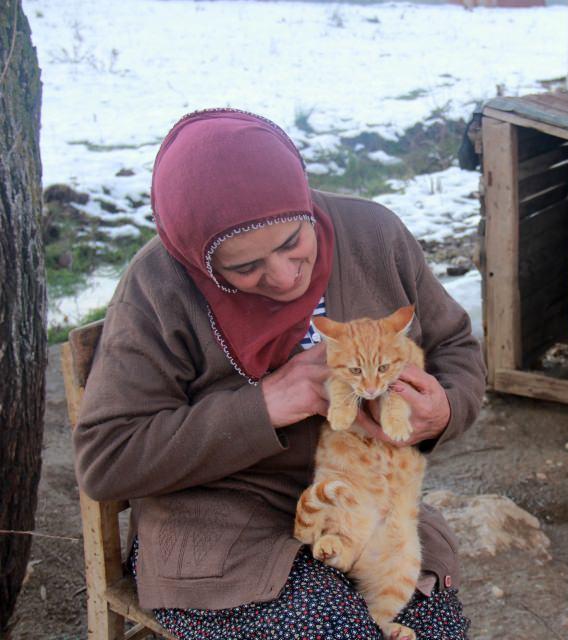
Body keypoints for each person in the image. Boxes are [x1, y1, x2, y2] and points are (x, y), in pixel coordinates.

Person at [73, 109, 486, 639]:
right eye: (244, 269)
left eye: (293, 242)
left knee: (431, 629)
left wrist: (445, 408)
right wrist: (263, 406)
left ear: (304, 201)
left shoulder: (373, 237)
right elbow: (107, 458)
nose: (284, 275)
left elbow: (453, 343)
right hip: (221, 531)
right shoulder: (158, 288)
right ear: (200, 261)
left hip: (361, 506)